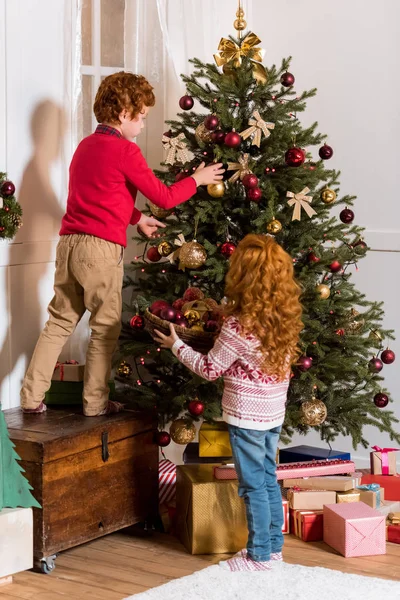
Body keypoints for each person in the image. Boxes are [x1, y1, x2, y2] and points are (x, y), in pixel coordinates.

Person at [20, 71, 224, 416]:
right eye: (142, 116)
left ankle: (29, 397)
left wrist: (135, 218)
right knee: (104, 327)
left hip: (69, 245)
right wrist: (197, 179)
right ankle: (95, 404)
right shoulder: (125, 151)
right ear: (125, 112)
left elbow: (97, 195)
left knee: (59, 321)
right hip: (100, 251)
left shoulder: (85, 146)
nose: (143, 124)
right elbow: (164, 196)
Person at [155, 234, 303, 572]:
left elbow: (210, 369)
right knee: (267, 479)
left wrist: (176, 344)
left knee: (253, 486)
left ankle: (258, 556)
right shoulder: (282, 319)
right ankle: (274, 550)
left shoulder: (239, 326)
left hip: (248, 418)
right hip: (272, 413)